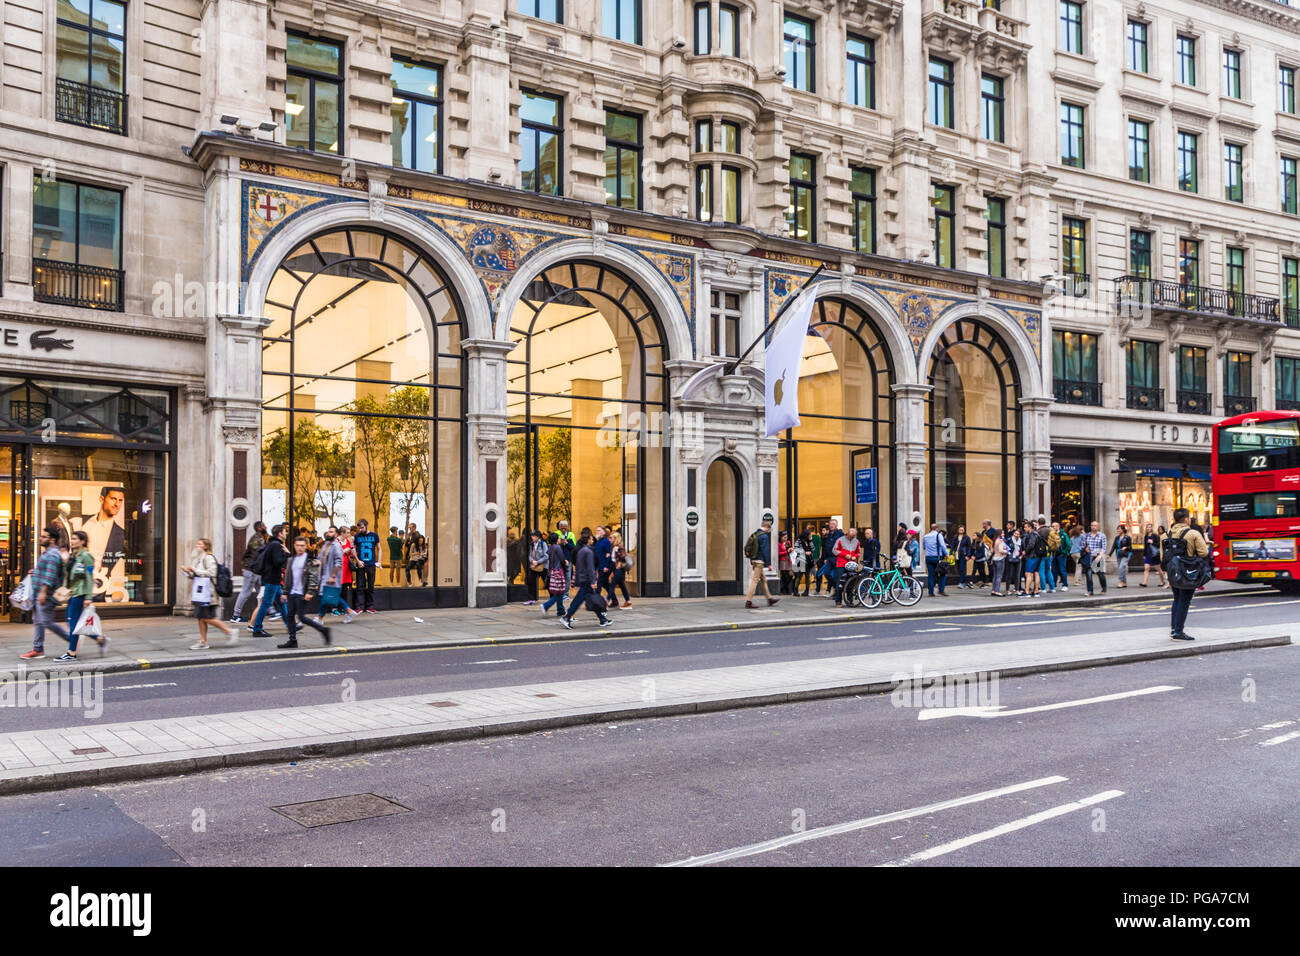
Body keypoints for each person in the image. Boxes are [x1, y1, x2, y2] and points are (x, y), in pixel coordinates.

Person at [21, 527, 73, 661]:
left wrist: (43, 592)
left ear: (52, 540)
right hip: (39, 593)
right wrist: (36, 571)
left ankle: (72, 640)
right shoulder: (48, 553)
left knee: (46, 621)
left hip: (46, 595)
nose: (40, 538)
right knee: (38, 621)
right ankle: (37, 649)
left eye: (44, 537)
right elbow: (47, 570)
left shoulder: (52, 554)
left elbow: (50, 575)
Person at [183, 537, 238, 651]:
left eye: (199, 544)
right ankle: (203, 641)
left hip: (209, 593)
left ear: (205, 546)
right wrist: (189, 573)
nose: (196, 546)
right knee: (200, 617)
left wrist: (195, 570)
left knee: (207, 617)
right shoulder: (199, 559)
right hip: (201, 593)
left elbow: (212, 572)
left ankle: (230, 631)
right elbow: (198, 574)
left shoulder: (208, 558)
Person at [1165, 508, 1209, 640]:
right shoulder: (1193, 533)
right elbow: (1203, 552)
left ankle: (1173, 629)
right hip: (1188, 570)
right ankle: (1178, 631)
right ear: (1186, 519)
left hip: (1173, 570)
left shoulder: (1168, 532)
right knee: (1185, 601)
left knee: (1177, 599)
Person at [280, 535, 331, 648]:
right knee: (289, 616)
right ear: (294, 546)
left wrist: (310, 591)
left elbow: (314, 577)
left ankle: (324, 630)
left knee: (301, 617)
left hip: (302, 593)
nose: (300, 548)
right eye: (298, 545)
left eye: (302, 546)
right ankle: (292, 640)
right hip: (292, 592)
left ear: (306, 546)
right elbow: (288, 577)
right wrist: (285, 592)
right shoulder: (290, 560)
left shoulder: (310, 561)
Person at [561, 533, 612, 629]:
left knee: (592, 599)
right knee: (579, 600)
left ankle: (602, 619)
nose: (593, 540)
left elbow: (579, 567)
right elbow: (590, 567)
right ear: (588, 539)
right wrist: (593, 581)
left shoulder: (581, 550)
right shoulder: (588, 551)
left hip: (583, 579)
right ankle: (566, 617)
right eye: (591, 538)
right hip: (587, 580)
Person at [249, 524, 291, 637]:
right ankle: (257, 629)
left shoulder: (271, 544)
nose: (286, 533)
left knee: (282, 604)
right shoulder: (276, 545)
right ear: (280, 534)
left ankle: (290, 625)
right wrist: (287, 554)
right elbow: (277, 562)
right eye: (285, 531)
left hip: (273, 579)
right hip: (272, 579)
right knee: (266, 604)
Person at [315, 526, 358, 625]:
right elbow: (321, 557)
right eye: (328, 531)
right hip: (324, 574)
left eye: (331, 532)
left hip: (331, 575)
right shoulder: (326, 544)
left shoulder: (336, 546)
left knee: (326, 595)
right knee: (329, 596)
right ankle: (349, 611)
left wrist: (333, 576)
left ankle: (320, 617)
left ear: (336, 534)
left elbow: (339, 562)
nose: (328, 533)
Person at [230, 521, 267, 623]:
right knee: (246, 592)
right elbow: (259, 554)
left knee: (262, 591)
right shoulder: (256, 539)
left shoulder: (260, 538)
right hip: (251, 570)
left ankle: (272, 611)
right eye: (264, 526)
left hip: (255, 570)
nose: (266, 527)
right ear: (259, 528)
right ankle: (235, 616)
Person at [744, 519, 780, 609]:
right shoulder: (764, 536)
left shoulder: (755, 534)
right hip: (760, 561)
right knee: (755, 580)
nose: (769, 531)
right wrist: (769, 564)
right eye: (769, 529)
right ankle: (748, 601)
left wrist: (752, 562)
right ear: (767, 527)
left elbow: (751, 549)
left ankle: (769, 599)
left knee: (763, 580)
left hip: (755, 560)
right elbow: (765, 551)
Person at [352, 519, 381, 612]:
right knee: (360, 586)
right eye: (359, 528)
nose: (360, 529)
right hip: (361, 564)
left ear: (366, 525)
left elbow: (379, 549)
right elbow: (353, 549)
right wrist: (358, 560)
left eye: (362, 527)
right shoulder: (357, 536)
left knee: (371, 586)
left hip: (371, 564)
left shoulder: (374, 535)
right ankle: (359, 606)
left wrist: (379, 561)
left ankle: (370, 606)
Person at [832, 527, 862, 608]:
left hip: (852, 564)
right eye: (851, 536)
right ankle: (838, 601)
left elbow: (858, 552)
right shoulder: (840, 540)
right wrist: (845, 555)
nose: (852, 538)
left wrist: (855, 556)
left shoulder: (857, 541)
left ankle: (850, 600)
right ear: (847, 534)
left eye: (854, 536)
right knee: (840, 582)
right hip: (841, 564)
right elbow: (834, 550)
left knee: (851, 583)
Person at [541, 533, 570, 617]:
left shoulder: (551, 547)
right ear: (556, 539)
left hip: (552, 572)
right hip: (558, 572)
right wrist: (566, 562)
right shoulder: (557, 547)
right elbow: (562, 559)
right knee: (559, 592)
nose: (560, 539)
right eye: (558, 538)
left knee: (559, 592)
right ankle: (546, 605)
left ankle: (560, 611)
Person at [1081, 520, 1108, 596]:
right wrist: (1085, 547)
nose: (1094, 527)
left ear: (1098, 527)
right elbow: (1082, 544)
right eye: (1092, 525)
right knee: (1088, 574)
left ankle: (1104, 587)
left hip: (1098, 557)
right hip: (1089, 557)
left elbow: (1104, 547)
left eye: (1095, 525)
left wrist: (1100, 555)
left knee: (1100, 574)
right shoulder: (1086, 535)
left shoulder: (1102, 535)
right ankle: (1090, 591)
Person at [523, 530, 549, 605]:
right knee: (531, 582)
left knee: (547, 582)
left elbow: (546, 556)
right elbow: (530, 555)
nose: (532, 537)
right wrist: (532, 561)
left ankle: (553, 598)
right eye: (532, 536)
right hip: (534, 566)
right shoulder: (532, 544)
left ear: (538, 537)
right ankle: (531, 599)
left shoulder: (543, 544)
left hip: (543, 566)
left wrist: (537, 562)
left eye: (533, 536)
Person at [922, 522, 948, 597]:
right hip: (937, 557)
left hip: (928, 557)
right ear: (937, 529)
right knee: (942, 573)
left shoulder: (925, 536)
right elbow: (943, 546)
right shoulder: (938, 535)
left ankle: (931, 592)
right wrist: (946, 554)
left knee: (931, 575)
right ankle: (941, 590)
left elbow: (924, 547)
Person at [820, 519, 844, 599]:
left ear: (836, 525)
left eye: (833, 524)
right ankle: (835, 587)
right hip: (829, 558)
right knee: (826, 573)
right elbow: (826, 547)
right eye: (830, 524)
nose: (831, 525)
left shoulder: (840, 534)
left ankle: (837, 593)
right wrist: (825, 557)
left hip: (837, 557)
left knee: (837, 576)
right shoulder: (828, 535)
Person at [609, 530, 633, 608]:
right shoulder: (613, 547)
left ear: (616, 538)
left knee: (612, 585)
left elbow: (623, 557)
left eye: (611, 538)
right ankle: (628, 601)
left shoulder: (620, 547)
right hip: (614, 568)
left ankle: (606, 601)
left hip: (619, 569)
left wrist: (619, 562)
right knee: (622, 585)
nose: (610, 539)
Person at [1022, 521, 1043, 598]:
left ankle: (1027, 591)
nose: (1024, 529)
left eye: (1025, 527)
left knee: (1028, 573)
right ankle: (1036, 591)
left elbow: (1031, 545)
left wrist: (1025, 552)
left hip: (1032, 556)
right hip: (1038, 556)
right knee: (1036, 573)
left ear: (1030, 527)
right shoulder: (1037, 534)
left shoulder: (1032, 534)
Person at [1140, 523, 1165, 587]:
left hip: (1154, 555)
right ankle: (1144, 583)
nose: (1148, 528)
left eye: (1150, 527)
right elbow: (1145, 546)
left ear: (1152, 528)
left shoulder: (1155, 536)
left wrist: (1152, 542)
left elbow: (1159, 545)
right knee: (1146, 568)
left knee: (1159, 569)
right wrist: (1144, 554)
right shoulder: (1146, 536)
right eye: (1147, 527)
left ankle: (1162, 581)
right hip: (1148, 555)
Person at [1110, 524, 1133, 588]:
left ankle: (1120, 581)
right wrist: (1109, 554)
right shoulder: (1116, 538)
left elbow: (1131, 547)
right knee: (1122, 568)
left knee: (1121, 567)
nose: (1118, 530)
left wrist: (1126, 547)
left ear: (1123, 530)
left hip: (1126, 554)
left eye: (1119, 529)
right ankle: (1124, 582)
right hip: (1119, 554)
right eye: (1117, 529)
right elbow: (1114, 546)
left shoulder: (1127, 537)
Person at [989, 529, 1008, 596]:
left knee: (995, 576)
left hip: (994, 559)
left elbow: (991, 550)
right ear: (999, 534)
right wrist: (1006, 551)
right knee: (999, 576)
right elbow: (1001, 550)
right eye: (1003, 533)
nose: (1004, 534)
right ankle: (997, 591)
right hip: (1000, 559)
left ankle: (993, 590)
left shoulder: (994, 541)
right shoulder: (1000, 541)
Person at [803, 525, 821, 596]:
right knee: (813, 568)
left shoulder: (809, 537)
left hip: (811, 555)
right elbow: (820, 546)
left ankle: (811, 583)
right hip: (817, 555)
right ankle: (816, 580)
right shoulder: (818, 537)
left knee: (811, 569)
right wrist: (820, 554)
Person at [777, 530, 793, 595]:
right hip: (783, 561)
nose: (785, 539)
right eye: (784, 537)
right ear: (781, 538)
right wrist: (787, 552)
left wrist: (791, 549)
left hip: (788, 560)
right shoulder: (779, 544)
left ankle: (786, 588)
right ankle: (784, 589)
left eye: (786, 537)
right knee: (784, 576)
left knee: (790, 575)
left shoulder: (788, 543)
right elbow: (779, 553)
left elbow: (790, 550)